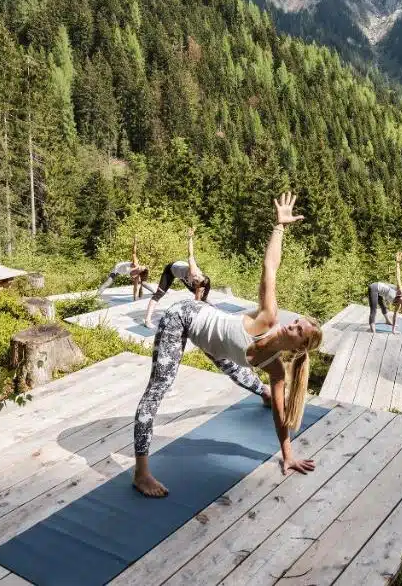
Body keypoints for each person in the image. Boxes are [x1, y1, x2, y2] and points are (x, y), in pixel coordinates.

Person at [132, 192, 322, 498]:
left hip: (216, 338)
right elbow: (270, 268)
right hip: (183, 317)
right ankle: (140, 473)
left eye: (299, 330)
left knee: (237, 369)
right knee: (159, 388)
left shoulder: (275, 368)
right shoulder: (267, 318)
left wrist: (288, 455)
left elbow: (280, 412)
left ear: (298, 348)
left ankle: (258, 391)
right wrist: (280, 228)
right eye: (297, 321)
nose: (293, 324)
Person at [145, 226, 212, 324]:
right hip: (171, 270)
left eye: (197, 283)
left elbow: (197, 300)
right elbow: (190, 254)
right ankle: (147, 319)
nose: (196, 280)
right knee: (159, 294)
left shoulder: (203, 282)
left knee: (202, 299)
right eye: (196, 280)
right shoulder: (193, 271)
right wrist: (190, 238)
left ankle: (212, 310)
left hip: (183, 276)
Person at [367, 251, 402, 333]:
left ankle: (387, 321)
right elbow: (398, 276)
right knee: (373, 310)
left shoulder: (398, 305)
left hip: (379, 291)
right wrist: (397, 263)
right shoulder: (401, 292)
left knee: (383, 306)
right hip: (374, 287)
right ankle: (373, 331)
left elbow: (395, 316)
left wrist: (393, 330)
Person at [97, 235, 150, 301]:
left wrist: (134, 299)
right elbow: (134, 252)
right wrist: (135, 241)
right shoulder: (135, 264)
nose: (140, 266)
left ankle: (155, 292)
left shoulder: (136, 276)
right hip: (117, 269)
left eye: (141, 267)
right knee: (108, 283)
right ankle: (96, 296)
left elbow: (135, 288)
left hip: (122, 272)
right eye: (141, 266)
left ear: (140, 271)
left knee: (143, 283)